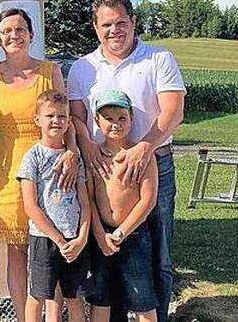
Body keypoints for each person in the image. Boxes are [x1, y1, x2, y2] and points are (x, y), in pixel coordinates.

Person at [67, 0, 186, 322]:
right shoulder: (83, 67)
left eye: (121, 23)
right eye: (106, 24)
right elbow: (76, 115)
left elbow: (173, 111)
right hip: (103, 167)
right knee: (108, 255)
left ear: (133, 23)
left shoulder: (158, 59)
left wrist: (144, 146)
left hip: (153, 162)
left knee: (157, 255)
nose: (114, 30)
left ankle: (155, 316)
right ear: (95, 28)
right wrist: (86, 145)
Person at [0, 8, 75, 322]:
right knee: (17, 252)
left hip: (50, 173)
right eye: (7, 31)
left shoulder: (50, 71)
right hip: (8, 174)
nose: (14, 35)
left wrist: (72, 152)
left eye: (20, 29)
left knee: (51, 249)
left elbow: (66, 118)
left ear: (31, 35)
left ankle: (53, 316)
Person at [85, 91, 160, 322]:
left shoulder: (142, 157)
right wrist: (100, 235)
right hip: (101, 237)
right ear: (97, 121)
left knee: (142, 298)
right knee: (100, 297)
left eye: (122, 118)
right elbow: (90, 200)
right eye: (108, 118)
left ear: (132, 119)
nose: (115, 124)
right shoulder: (96, 156)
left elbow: (148, 200)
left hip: (133, 235)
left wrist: (120, 233)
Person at [17, 90, 90, 322]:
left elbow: (85, 203)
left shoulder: (74, 159)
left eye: (61, 117)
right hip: (44, 239)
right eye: (50, 116)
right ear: (37, 119)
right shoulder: (33, 157)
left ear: (69, 121)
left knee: (75, 298)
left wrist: (81, 238)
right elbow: (31, 206)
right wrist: (58, 239)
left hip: (74, 239)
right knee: (38, 295)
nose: (56, 121)